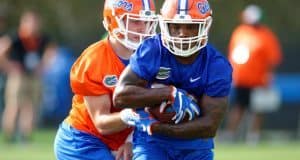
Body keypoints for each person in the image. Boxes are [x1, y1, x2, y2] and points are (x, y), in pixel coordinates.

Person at [113, 0, 232, 159]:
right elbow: (120, 96)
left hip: (195, 147)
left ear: (205, 26)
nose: (183, 33)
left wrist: (158, 127)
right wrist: (169, 93)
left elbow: (209, 126)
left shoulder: (216, 65)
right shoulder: (152, 49)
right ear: (164, 26)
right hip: (152, 143)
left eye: (190, 26)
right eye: (176, 26)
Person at [53, 0, 158, 159]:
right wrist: (128, 116)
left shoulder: (154, 56)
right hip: (84, 139)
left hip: (124, 138)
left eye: (147, 21)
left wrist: (130, 140)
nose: (142, 27)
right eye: (135, 21)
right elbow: (101, 123)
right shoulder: (95, 59)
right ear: (112, 20)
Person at [224, 4, 282, 144]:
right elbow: (233, 55)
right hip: (241, 79)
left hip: (259, 80)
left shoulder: (266, 35)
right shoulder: (239, 32)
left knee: (258, 109)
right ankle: (230, 135)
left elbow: (273, 58)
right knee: (238, 107)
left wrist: (269, 76)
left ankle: (253, 137)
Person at [1, 10, 52, 143]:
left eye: (36, 22)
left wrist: (43, 66)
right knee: (14, 105)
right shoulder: (15, 37)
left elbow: (51, 52)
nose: (34, 25)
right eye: (31, 22)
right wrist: (9, 67)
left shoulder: (42, 38)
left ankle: (25, 136)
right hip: (18, 77)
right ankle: (9, 136)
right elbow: (2, 51)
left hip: (34, 77)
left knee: (31, 107)